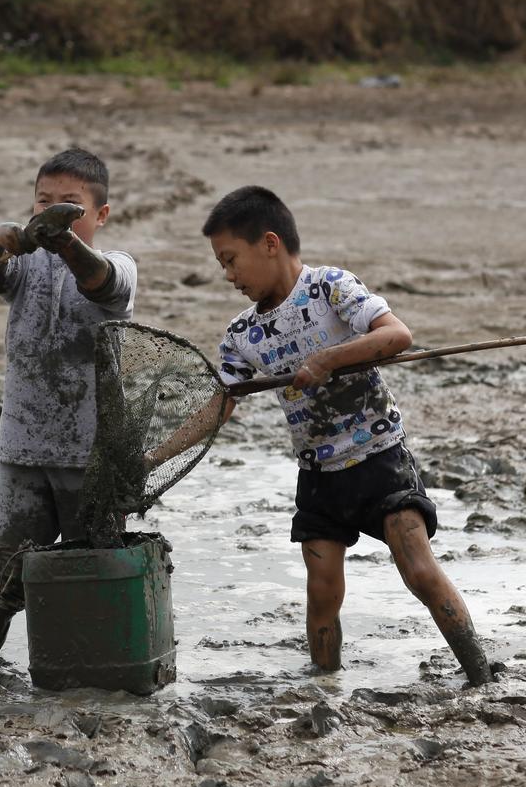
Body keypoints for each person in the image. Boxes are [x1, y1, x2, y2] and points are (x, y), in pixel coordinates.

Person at [200, 185, 493, 686]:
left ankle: (482, 675)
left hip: (381, 460)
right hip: (319, 476)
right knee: (321, 596)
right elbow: (217, 408)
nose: (228, 276)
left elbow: (397, 336)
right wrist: (150, 459)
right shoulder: (241, 335)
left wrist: (328, 359)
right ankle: (323, 686)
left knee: (420, 572)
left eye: (231, 260)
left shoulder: (330, 287)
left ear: (270, 243)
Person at [0, 147, 137, 656]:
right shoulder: (24, 270)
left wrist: (64, 241)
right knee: (3, 581)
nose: (52, 210)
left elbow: (102, 282)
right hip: (20, 454)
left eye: (69, 204)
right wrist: (4, 238)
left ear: (100, 215)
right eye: (43, 202)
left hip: (91, 460)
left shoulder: (119, 266)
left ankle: (96, 679)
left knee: (93, 577)